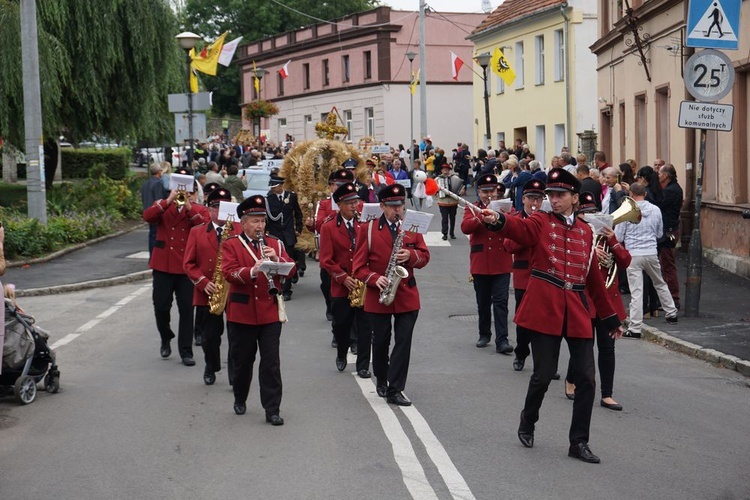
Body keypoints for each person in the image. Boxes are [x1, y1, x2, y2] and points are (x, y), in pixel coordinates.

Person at [481, 167, 623, 464]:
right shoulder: (540, 221)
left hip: (576, 307)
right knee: (543, 376)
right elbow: (518, 230)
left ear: (574, 197)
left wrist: (610, 318)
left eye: (560, 195)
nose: (554, 200)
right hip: (545, 305)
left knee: (586, 378)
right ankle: (528, 419)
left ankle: (579, 442)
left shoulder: (586, 231)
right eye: (551, 195)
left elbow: (594, 279)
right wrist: (499, 221)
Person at [353, 184, 430, 406]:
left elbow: (425, 256)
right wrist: (375, 279)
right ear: (382, 206)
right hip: (381, 294)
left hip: (406, 293)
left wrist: (412, 255)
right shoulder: (367, 230)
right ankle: (382, 379)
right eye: (393, 206)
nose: (398, 211)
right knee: (381, 342)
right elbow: (358, 268)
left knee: (403, 341)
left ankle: (395, 388)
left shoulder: (412, 227)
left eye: (401, 205)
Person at [221, 195, 296, 423]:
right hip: (242, 313)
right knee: (243, 361)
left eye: (262, 221)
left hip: (269, 311)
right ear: (243, 223)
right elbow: (229, 272)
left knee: (271, 362)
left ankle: (272, 409)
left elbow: (291, 272)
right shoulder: (232, 244)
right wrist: (252, 271)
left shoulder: (275, 244)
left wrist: (278, 261)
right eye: (255, 221)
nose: (260, 226)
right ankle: (240, 396)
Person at [565, 192, 631, 411]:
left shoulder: (606, 237)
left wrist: (613, 240)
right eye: (585, 214)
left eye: (594, 213)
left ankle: (607, 394)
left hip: (608, 302)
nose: (590, 217)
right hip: (584, 300)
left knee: (607, 348)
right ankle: (571, 380)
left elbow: (624, 262)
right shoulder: (574, 236)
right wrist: (591, 251)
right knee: (583, 346)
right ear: (579, 215)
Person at [143, 170, 209, 366]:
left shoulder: (197, 209)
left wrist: (188, 206)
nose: (182, 192)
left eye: (186, 188)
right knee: (161, 307)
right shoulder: (163, 205)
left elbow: (205, 227)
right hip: (163, 265)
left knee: (187, 310)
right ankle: (165, 336)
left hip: (186, 268)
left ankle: (185, 351)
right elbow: (148, 216)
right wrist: (168, 200)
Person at [183, 188, 243, 385]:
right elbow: (188, 263)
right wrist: (202, 282)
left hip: (234, 289)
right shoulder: (197, 231)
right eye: (217, 208)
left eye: (225, 208)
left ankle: (234, 373)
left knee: (237, 337)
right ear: (209, 210)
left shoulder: (239, 231)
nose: (221, 212)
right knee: (209, 337)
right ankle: (211, 365)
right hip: (209, 290)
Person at [319, 182, 372, 377]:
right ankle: (342, 352)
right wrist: (342, 278)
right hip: (342, 286)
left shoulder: (364, 225)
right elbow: (326, 259)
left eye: (356, 201)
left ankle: (363, 366)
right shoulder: (329, 227)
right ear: (339, 204)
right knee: (342, 325)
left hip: (363, 283)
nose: (354, 206)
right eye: (349, 203)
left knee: (366, 327)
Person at [615, 182, 679, 338]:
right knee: (659, 282)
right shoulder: (656, 210)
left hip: (633, 254)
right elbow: (659, 233)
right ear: (645, 194)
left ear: (631, 194)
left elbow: (618, 236)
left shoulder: (626, 211)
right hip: (651, 251)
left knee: (637, 291)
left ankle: (635, 328)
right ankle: (671, 313)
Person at [460, 175, 514, 353]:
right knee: (483, 302)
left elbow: (515, 227)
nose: (489, 195)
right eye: (485, 192)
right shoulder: (473, 208)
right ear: (479, 192)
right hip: (481, 262)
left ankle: (502, 340)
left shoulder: (506, 208)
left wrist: (503, 218)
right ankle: (484, 334)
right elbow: (465, 227)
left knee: (501, 302)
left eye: (492, 191)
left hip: (501, 262)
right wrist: (482, 218)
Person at [503, 179, 547, 372]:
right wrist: (527, 233)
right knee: (523, 320)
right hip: (524, 277)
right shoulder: (517, 219)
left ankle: (545, 362)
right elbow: (508, 245)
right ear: (524, 199)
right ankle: (521, 353)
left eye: (538, 199)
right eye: (531, 199)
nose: (535, 203)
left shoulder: (548, 219)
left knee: (546, 322)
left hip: (545, 277)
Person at [265, 175, 303, 301]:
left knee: (288, 260)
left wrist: (298, 228)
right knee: (275, 261)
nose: (273, 189)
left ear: (280, 186)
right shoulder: (269, 199)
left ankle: (287, 290)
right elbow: (268, 218)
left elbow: (297, 213)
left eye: (275, 187)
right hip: (274, 235)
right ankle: (278, 285)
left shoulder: (291, 196)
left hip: (288, 234)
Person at [657, 165, 683, 310]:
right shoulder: (672, 189)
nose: (658, 175)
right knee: (665, 265)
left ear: (666, 175)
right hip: (669, 230)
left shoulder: (670, 191)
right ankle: (669, 298)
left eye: (660, 173)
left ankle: (673, 299)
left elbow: (659, 205)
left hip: (669, 232)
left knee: (668, 266)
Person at [141, 163, 167, 256]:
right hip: (156, 213)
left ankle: (152, 256)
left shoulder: (145, 183)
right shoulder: (158, 184)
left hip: (147, 211)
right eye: (161, 170)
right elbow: (159, 200)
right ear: (158, 171)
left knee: (152, 235)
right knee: (157, 236)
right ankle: (155, 257)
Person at [435, 164, 464, 240]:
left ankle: (452, 233)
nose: (445, 170)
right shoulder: (437, 179)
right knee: (444, 218)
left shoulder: (455, 178)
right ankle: (444, 233)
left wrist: (460, 192)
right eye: (444, 169)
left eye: (447, 169)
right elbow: (433, 190)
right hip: (443, 201)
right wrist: (437, 192)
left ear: (449, 170)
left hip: (453, 201)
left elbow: (461, 186)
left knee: (452, 218)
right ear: (441, 170)